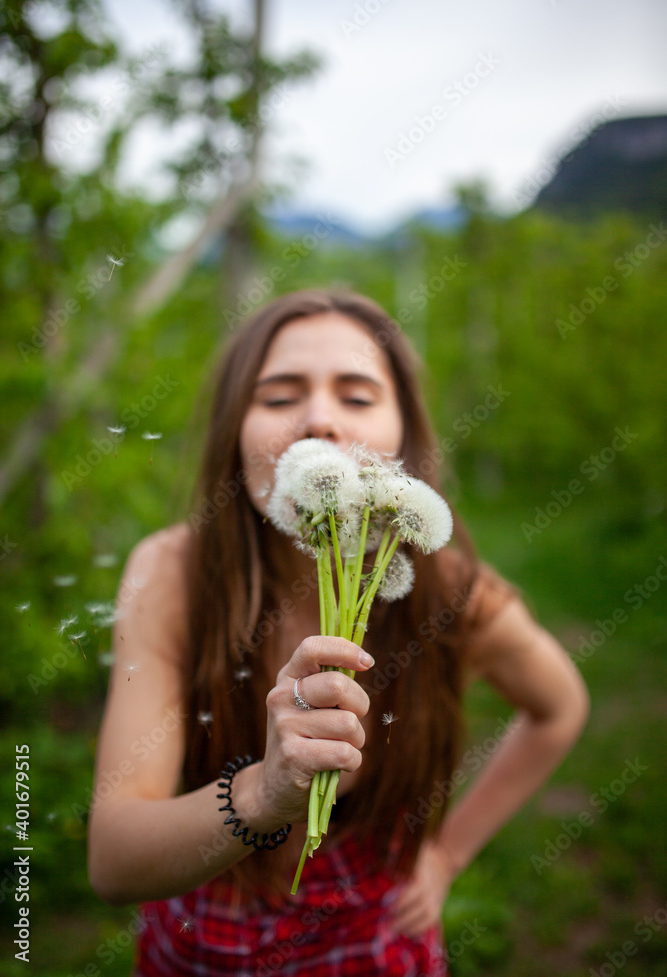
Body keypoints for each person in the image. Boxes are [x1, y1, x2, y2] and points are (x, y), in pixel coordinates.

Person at [87, 288, 589, 976]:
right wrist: (266, 792)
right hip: (203, 941)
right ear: (233, 430)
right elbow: (113, 863)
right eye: (278, 396)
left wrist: (446, 855)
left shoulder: (449, 594)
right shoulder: (172, 574)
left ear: (402, 439)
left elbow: (559, 707)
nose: (319, 420)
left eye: (356, 398)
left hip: (377, 941)